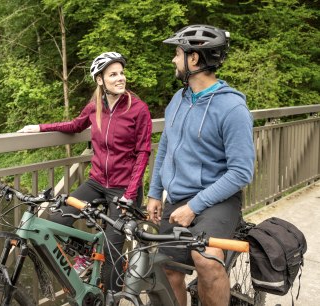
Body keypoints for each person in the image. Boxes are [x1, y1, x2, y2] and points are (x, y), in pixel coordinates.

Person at [17, 52, 152, 293]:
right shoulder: (95, 107)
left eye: (121, 73)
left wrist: (130, 195)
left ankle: (110, 297)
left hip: (124, 189)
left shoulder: (138, 109)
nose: (120, 78)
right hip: (97, 182)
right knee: (57, 218)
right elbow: (74, 126)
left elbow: (143, 153)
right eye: (113, 74)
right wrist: (39, 127)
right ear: (100, 80)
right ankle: (88, 255)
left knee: (112, 252)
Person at [147, 25, 255, 306]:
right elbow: (166, 150)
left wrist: (194, 207)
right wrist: (154, 192)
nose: (173, 60)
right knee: (164, 266)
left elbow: (242, 171)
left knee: (206, 260)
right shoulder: (177, 100)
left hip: (217, 200)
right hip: (177, 196)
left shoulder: (232, 108)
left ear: (193, 59)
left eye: (177, 53)